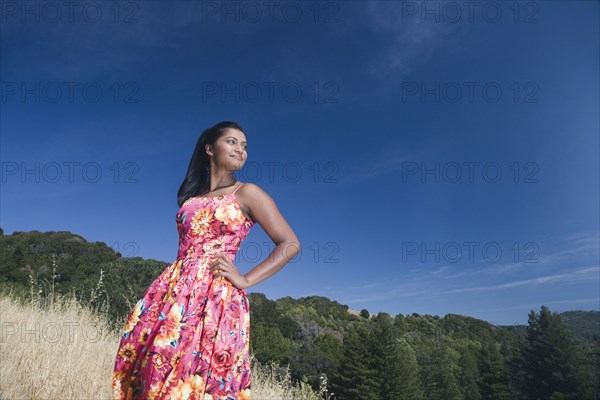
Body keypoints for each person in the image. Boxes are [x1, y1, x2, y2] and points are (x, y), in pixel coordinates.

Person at [112, 121, 301, 399]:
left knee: (204, 377)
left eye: (245, 146)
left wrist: (245, 279)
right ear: (210, 149)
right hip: (174, 292)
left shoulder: (247, 193)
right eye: (232, 142)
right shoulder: (190, 198)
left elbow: (290, 244)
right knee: (155, 367)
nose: (241, 150)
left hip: (217, 298)